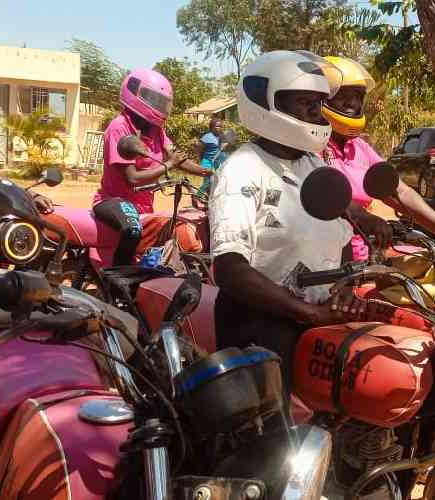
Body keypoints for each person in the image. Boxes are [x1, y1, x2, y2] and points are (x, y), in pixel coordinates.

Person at [209, 51, 390, 389]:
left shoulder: (313, 165)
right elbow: (230, 267)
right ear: (267, 103)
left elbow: (340, 223)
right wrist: (308, 312)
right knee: (275, 437)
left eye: (319, 103)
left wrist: (343, 288)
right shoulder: (243, 168)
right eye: (305, 101)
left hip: (315, 323)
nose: (315, 112)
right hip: (260, 328)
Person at [321, 56, 435, 260]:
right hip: (324, 262)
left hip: (364, 257)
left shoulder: (359, 147)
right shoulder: (312, 148)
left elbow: (398, 190)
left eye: (358, 96)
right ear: (322, 98)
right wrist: (366, 218)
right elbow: (328, 195)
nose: (353, 102)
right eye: (342, 95)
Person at [92, 69, 210, 266]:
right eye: (155, 100)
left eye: (163, 102)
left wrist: (209, 172)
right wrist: (168, 166)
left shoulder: (156, 130)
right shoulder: (119, 127)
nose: (160, 107)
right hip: (113, 200)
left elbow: (176, 157)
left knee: (173, 228)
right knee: (132, 231)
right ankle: (118, 279)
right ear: (136, 94)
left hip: (143, 206)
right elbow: (133, 178)